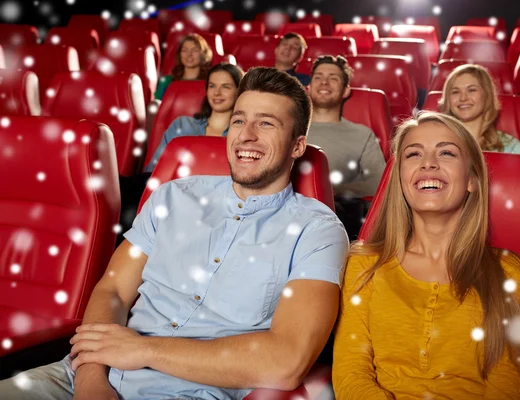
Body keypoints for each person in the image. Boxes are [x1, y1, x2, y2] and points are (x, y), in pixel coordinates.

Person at [0, 67, 349, 400]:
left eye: (266, 124)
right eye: (239, 120)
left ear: (297, 146)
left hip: (189, 390)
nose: (246, 135)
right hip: (82, 375)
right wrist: (91, 377)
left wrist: (143, 350)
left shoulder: (318, 231)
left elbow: (286, 361)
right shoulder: (173, 195)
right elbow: (113, 291)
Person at [333, 112, 520, 399]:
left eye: (447, 153)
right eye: (413, 154)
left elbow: (508, 384)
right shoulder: (364, 264)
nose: (428, 163)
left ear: (472, 180)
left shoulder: (509, 272)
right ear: (400, 180)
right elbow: (351, 372)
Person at [307, 55, 386, 239]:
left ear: (345, 91)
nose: (324, 82)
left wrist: (333, 190)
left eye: (333, 78)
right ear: (309, 88)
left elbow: (378, 182)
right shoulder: (289, 128)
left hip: (337, 216)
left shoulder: (362, 134)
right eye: (318, 77)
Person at [144, 63, 244, 173]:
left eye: (226, 87)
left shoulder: (243, 133)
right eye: (212, 86)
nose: (217, 93)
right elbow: (154, 170)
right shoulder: (182, 125)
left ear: (239, 92)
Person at [438, 64, 520, 154]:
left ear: (487, 96)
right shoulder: (434, 141)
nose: (463, 98)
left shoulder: (510, 146)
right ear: (448, 100)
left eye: (472, 90)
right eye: (455, 92)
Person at [154, 33, 213, 100]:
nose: (189, 54)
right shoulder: (166, 82)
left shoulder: (211, 83)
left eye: (195, 50)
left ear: (203, 54)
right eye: (184, 50)